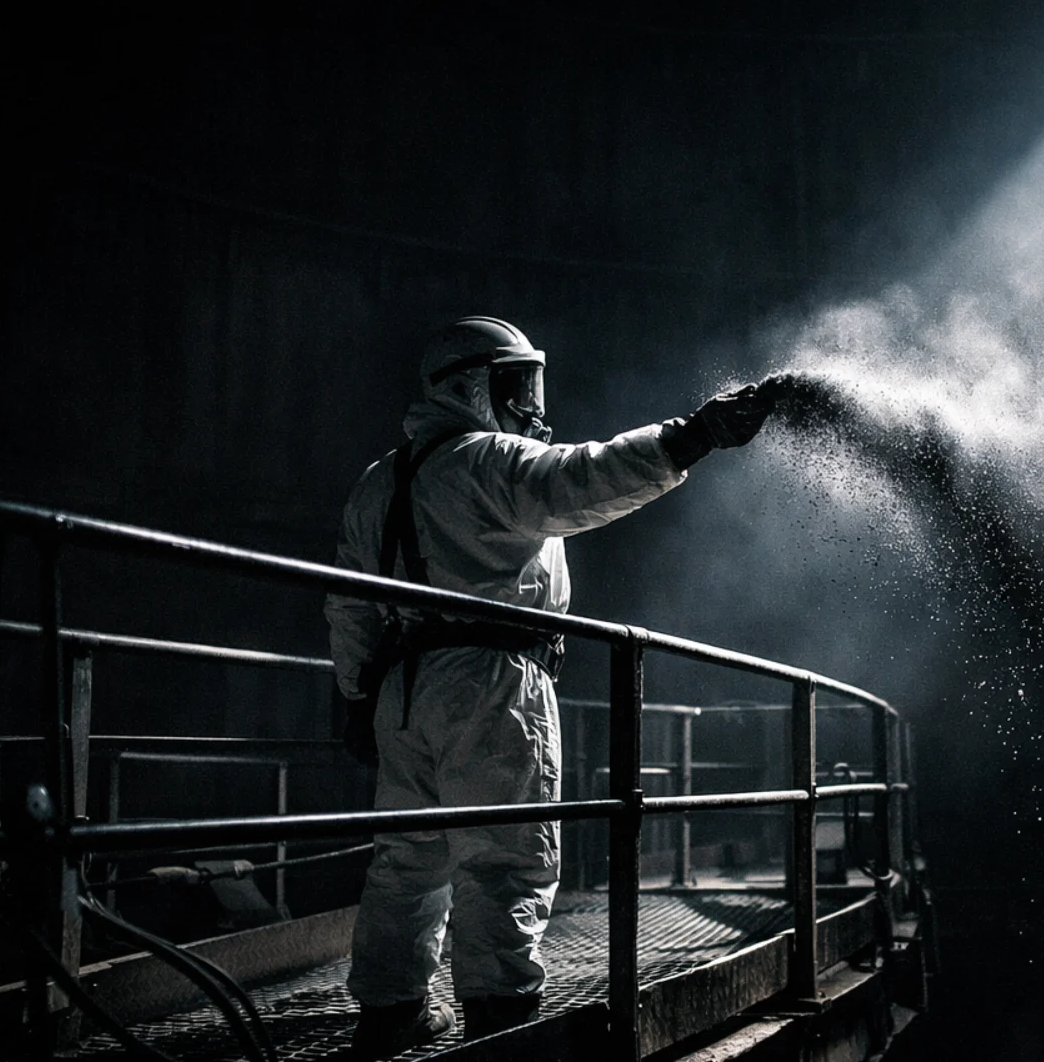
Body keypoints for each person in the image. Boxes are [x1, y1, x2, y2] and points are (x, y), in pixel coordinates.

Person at [325, 316, 773, 1058]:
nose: (530, 405)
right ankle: (501, 1028)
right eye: (516, 386)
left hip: (401, 690)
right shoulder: (489, 461)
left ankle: (390, 1013)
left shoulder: (381, 480)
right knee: (507, 856)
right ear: (473, 387)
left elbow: (348, 604)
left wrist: (356, 698)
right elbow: (585, 478)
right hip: (493, 681)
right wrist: (693, 436)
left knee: (408, 859)